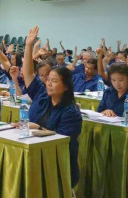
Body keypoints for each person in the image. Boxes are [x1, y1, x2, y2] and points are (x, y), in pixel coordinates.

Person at [16, 26, 82, 188]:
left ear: (66, 86)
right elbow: (29, 74)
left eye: (54, 81)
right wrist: (29, 46)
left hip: (57, 165)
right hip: (34, 155)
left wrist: (37, 126)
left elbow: (60, 141)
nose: (49, 83)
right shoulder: (42, 94)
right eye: (48, 79)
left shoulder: (71, 112)